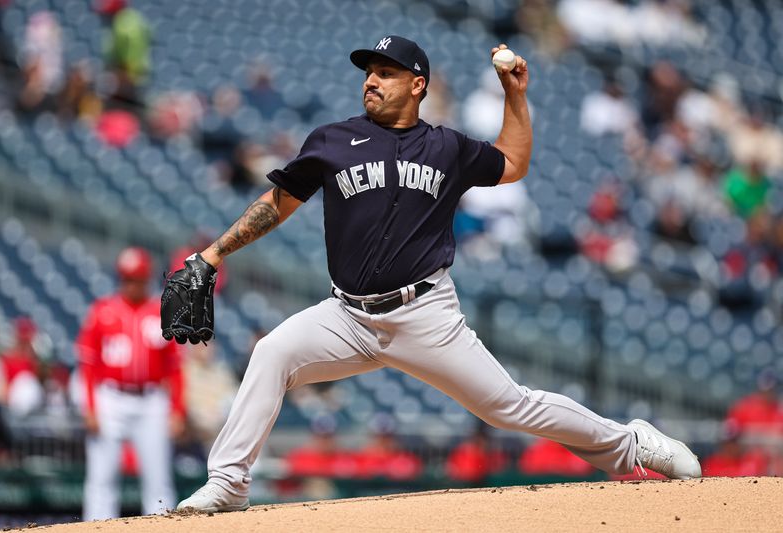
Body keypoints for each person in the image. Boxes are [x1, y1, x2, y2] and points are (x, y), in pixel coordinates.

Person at [172, 36, 701, 513]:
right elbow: (279, 201)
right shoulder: (333, 140)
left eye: (385, 71)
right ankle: (229, 482)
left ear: (417, 84)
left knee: (508, 407)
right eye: (368, 72)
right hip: (346, 314)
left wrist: (514, 96)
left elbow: (512, 163)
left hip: (425, 312)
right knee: (272, 353)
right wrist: (214, 254)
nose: (371, 80)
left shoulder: (447, 148)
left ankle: (630, 444)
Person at [77, 247, 184, 520]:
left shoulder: (161, 312)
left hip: (151, 400)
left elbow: (175, 369)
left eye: (136, 278)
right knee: (102, 478)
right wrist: (89, 407)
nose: (130, 284)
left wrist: (177, 409)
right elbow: (87, 366)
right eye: (126, 278)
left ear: (147, 279)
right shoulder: (102, 311)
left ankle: (162, 526)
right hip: (110, 398)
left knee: (158, 479)